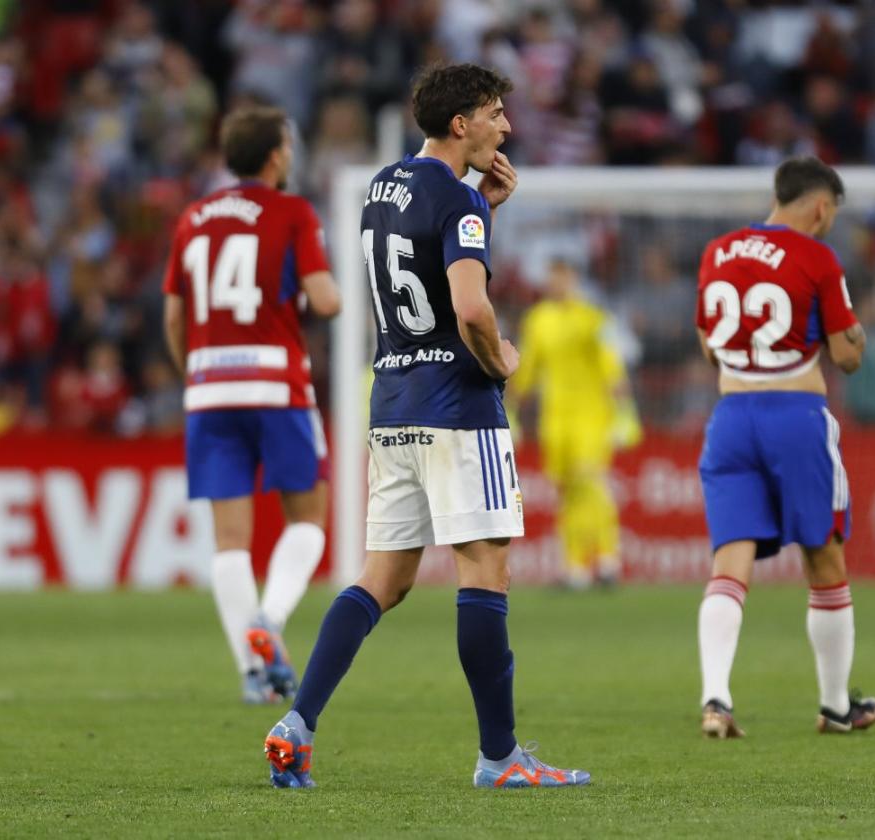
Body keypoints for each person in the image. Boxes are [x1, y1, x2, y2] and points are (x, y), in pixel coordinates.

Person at [263, 63, 589, 790]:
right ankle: (500, 758)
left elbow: (419, 267)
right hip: (458, 408)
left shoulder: (383, 187)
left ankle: (297, 723)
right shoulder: (458, 202)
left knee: (383, 577)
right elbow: (470, 308)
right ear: (461, 124)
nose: (506, 126)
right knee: (484, 568)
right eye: (495, 113)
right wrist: (500, 363)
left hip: (394, 403)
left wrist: (484, 207)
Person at [694, 156, 875, 738]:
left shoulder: (718, 251)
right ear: (821, 207)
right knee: (824, 555)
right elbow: (847, 359)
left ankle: (717, 699)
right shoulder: (818, 257)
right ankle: (835, 708)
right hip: (794, 416)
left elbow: (708, 344)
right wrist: (857, 338)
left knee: (730, 561)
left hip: (730, 416)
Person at [161, 106, 341, 705]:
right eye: (288, 146)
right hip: (275, 385)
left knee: (229, 541)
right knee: (309, 518)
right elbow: (325, 299)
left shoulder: (192, 219)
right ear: (275, 155)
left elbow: (174, 315)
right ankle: (269, 616)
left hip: (209, 388)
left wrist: (197, 374)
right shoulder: (292, 212)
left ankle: (251, 671)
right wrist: (331, 290)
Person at [510, 258, 639, 588]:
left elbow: (611, 364)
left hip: (591, 417)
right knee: (566, 492)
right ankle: (576, 568)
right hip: (556, 420)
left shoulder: (592, 318)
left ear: (575, 280)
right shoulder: (538, 320)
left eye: (563, 279)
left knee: (590, 484)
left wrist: (623, 410)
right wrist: (511, 408)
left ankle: (608, 560)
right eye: (553, 279)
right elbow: (528, 370)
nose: (557, 285)